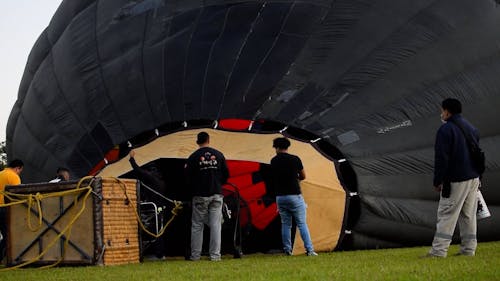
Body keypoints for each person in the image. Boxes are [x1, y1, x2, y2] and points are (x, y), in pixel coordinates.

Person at [425, 98, 481, 257]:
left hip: (456, 179)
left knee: (447, 214)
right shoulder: (471, 128)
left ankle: (438, 251)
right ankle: (469, 249)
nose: (441, 114)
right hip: (473, 178)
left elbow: (441, 158)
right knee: (469, 215)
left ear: (447, 111)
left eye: (442, 110)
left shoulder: (446, 130)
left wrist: (437, 181)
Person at [185, 132, 229, 261]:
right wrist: (218, 183)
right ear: (209, 140)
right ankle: (215, 256)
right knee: (216, 225)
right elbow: (226, 174)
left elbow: (187, 178)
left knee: (197, 225)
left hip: (200, 195)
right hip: (216, 194)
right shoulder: (219, 155)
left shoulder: (193, 157)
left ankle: (195, 256)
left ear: (197, 142)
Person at [270, 137, 317, 256]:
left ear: (276, 147)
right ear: (287, 146)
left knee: (286, 224)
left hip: (280, 197)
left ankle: (287, 250)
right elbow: (303, 176)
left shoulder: (273, 161)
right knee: (301, 224)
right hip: (294, 195)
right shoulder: (295, 159)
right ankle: (310, 250)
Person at [129, 149, 168, 259]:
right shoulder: (160, 181)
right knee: (158, 231)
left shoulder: (151, 178)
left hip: (154, 208)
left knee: (155, 232)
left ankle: (158, 254)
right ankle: (160, 254)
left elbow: (138, 171)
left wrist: (131, 159)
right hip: (158, 208)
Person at [0, 159, 24, 262]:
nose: (19, 173)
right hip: (5, 208)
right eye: (20, 170)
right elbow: (17, 194)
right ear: (17, 168)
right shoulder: (14, 177)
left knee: (5, 235)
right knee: (8, 236)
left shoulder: (1, 173)